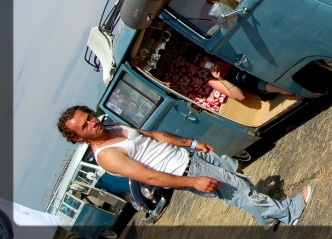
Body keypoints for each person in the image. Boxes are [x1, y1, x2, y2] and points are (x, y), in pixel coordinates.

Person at [56, 105, 312, 227]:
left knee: (236, 173)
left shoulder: (113, 128)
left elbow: (153, 136)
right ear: (78, 138)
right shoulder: (107, 156)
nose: (92, 123)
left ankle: (265, 217)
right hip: (185, 171)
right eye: (85, 126)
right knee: (238, 191)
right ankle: (288, 214)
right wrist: (193, 182)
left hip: (188, 156)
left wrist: (192, 142)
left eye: (89, 117)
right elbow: (150, 177)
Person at [193, 53, 297, 102]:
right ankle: (285, 90)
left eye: (201, 57)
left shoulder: (224, 54)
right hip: (262, 91)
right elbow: (240, 97)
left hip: (265, 73)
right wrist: (221, 79)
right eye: (198, 63)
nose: (202, 62)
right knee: (242, 77)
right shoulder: (213, 79)